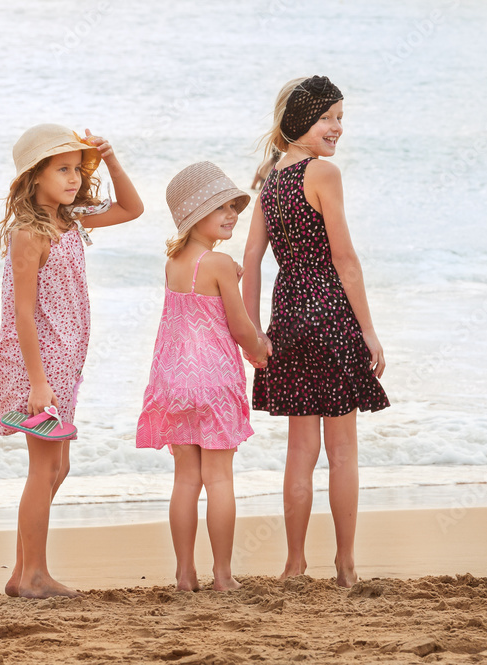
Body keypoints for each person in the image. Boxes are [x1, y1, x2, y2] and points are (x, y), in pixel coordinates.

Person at [241, 76, 390, 588]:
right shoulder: (322, 173)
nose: (337, 128)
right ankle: (345, 565)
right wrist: (368, 330)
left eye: (341, 118)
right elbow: (345, 259)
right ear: (301, 120)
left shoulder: (270, 178)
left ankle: (294, 564)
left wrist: (253, 331)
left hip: (287, 318)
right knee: (342, 450)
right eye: (328, 117)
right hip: (329, 313)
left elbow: (253, 259)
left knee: (299, 451)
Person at [0, 123, 143, 598]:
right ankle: (33, 574)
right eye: (62, 169)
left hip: (64, 365)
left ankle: (22, 574)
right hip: (36, 367)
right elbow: (21, 312)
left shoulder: (69, 220)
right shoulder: (28, 233)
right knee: (44, 469)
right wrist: (38, 383)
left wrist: (111, 159)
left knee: (59, 468)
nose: (73, 178)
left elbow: (131, 209)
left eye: (77, 169)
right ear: (35, 176)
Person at [136, 162, 269, 592]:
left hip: (173, 380)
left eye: (233, 206)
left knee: (185, 480)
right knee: (219, 479)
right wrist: (259, 348)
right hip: (213, 381)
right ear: (195, 216)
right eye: (221, 209)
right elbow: (239, 326)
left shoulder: (176, 260)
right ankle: (224, 575)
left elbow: (191, 313)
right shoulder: (219, 262)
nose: (231, 214)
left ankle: (183, 574)